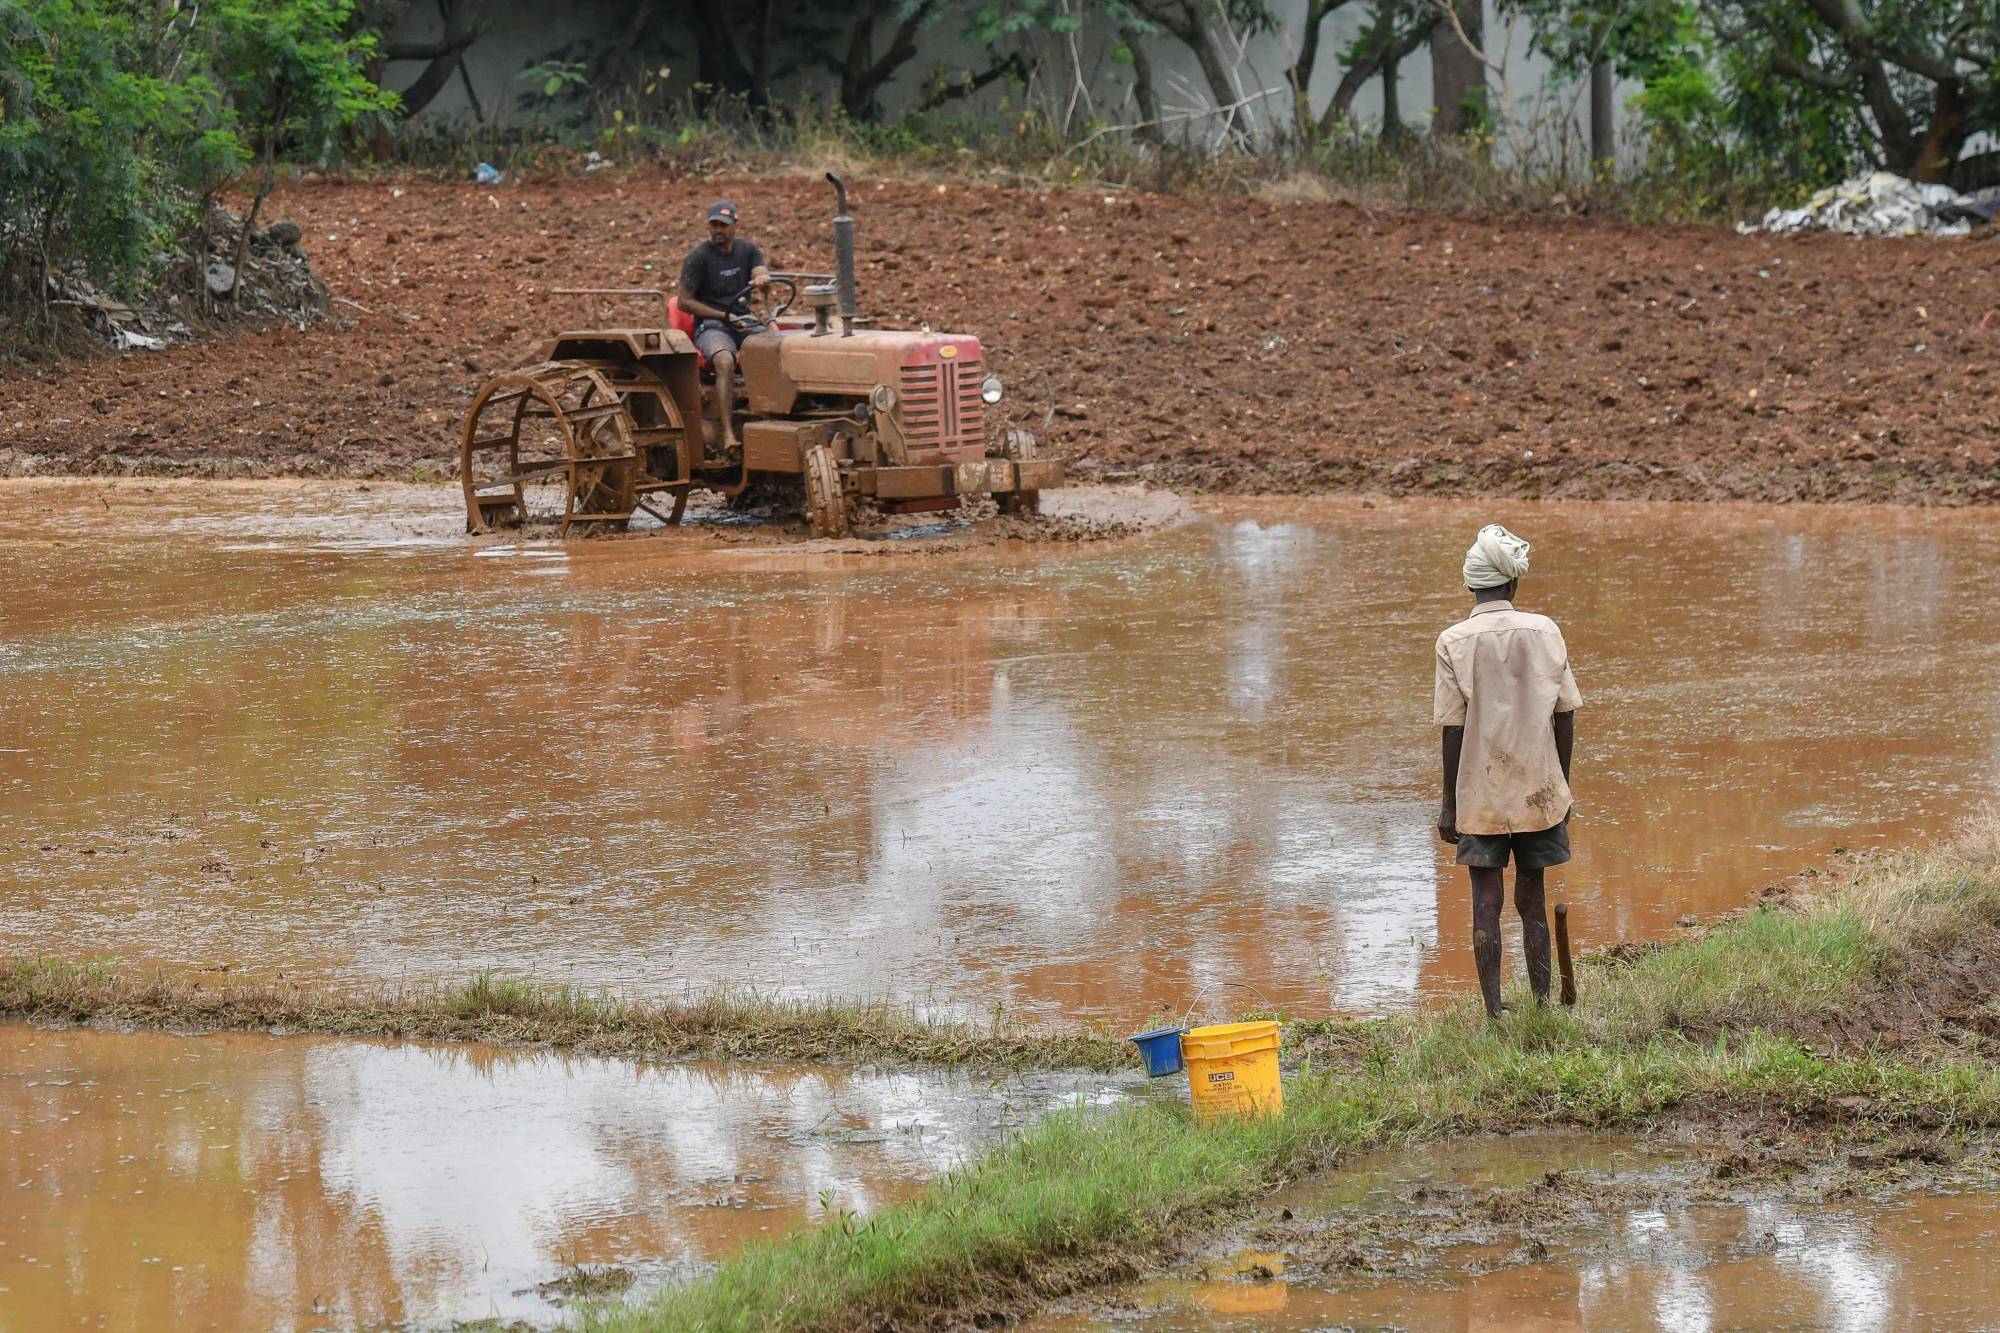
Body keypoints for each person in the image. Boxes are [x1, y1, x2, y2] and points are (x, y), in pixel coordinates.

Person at [1432, 523, 1581, 1019]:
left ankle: (1495, 1013)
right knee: (1532, 897)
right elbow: (1565, 715)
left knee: (1485, 901)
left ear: (1472, 586)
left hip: (1480, 791)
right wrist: (1562, 785)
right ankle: (1542, 1004)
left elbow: (1453, 730)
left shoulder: (1453, 641)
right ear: (1512, 585)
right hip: (1539, 787)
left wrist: (1451, 802)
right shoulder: (1545, 631)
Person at [677, 200, 770, 455]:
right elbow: (684, 302)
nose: (718, 230)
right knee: (725, 361)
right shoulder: (699, 257)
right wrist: (721, 315)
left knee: (775, 350)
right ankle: (728, 433)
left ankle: (770, 416)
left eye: (724, 225)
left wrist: (761, 277)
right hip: (713, 325)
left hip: (744, 321)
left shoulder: (747, 250)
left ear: (735, 226)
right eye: (714, 224)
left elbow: (760, 268)